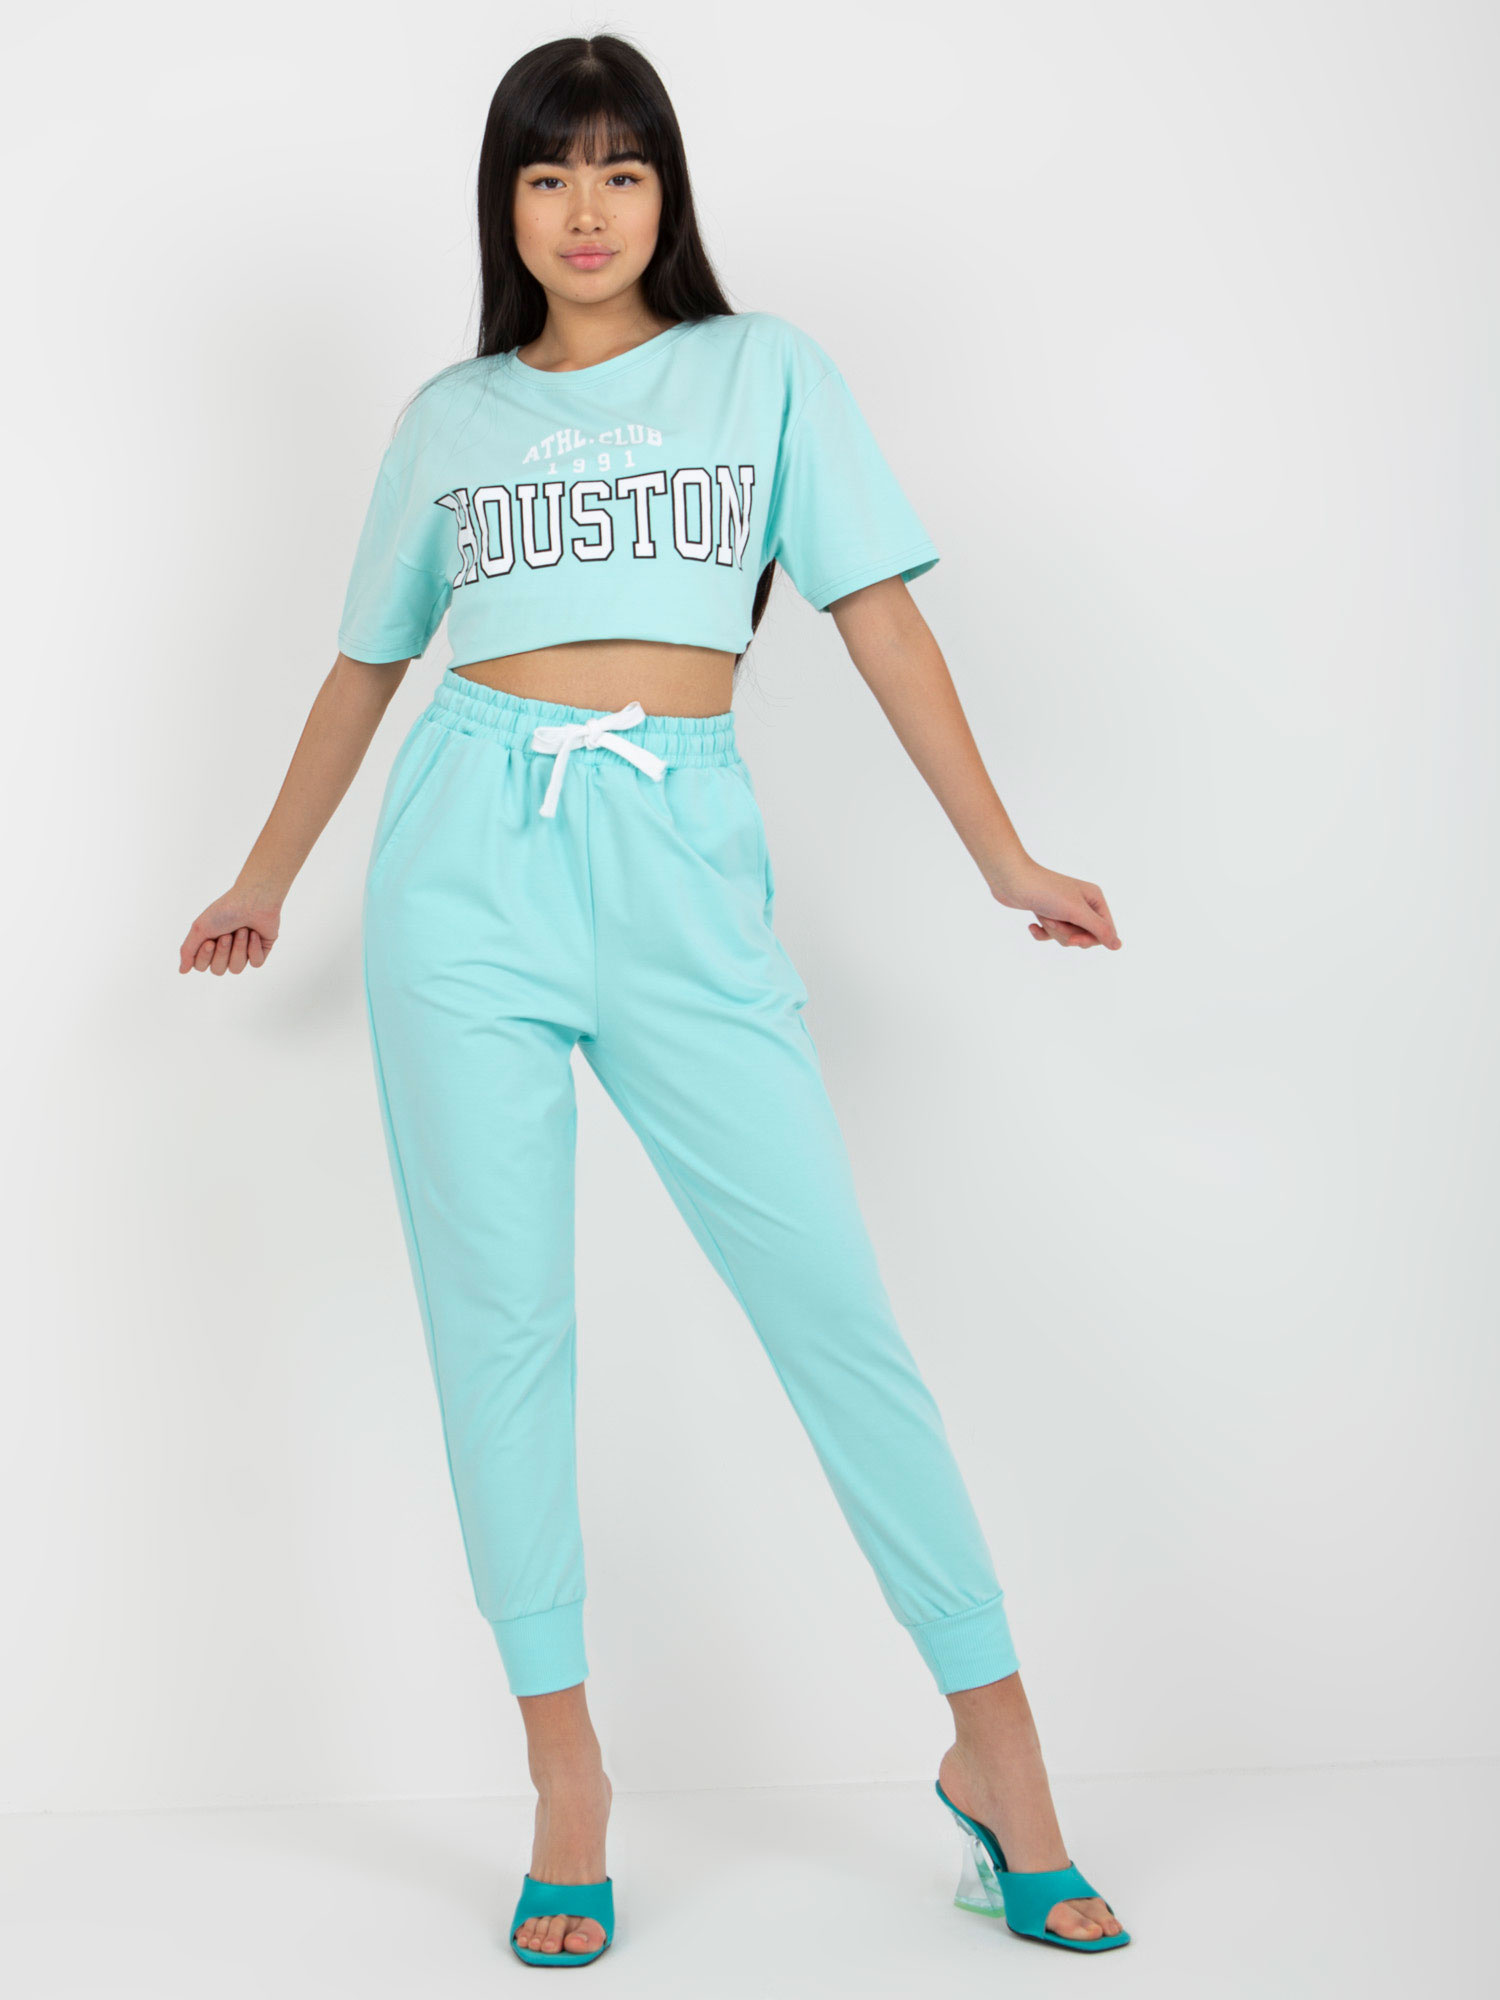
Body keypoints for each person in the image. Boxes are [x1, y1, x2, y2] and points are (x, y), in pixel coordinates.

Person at [179, 31, 1129, 1967]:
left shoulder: (763, 371)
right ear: (504, 206)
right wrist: (267, 876)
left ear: (669, 191)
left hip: (682, 864)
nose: (586, 209)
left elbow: (881, 620)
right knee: (502, 1326)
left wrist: (1004, 855)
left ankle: (1002, 1748)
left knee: (832, 1308)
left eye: (620, 169)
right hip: (466, 864)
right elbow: (366, 665)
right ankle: (568, 1777)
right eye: (547, 175)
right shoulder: (451, 416)